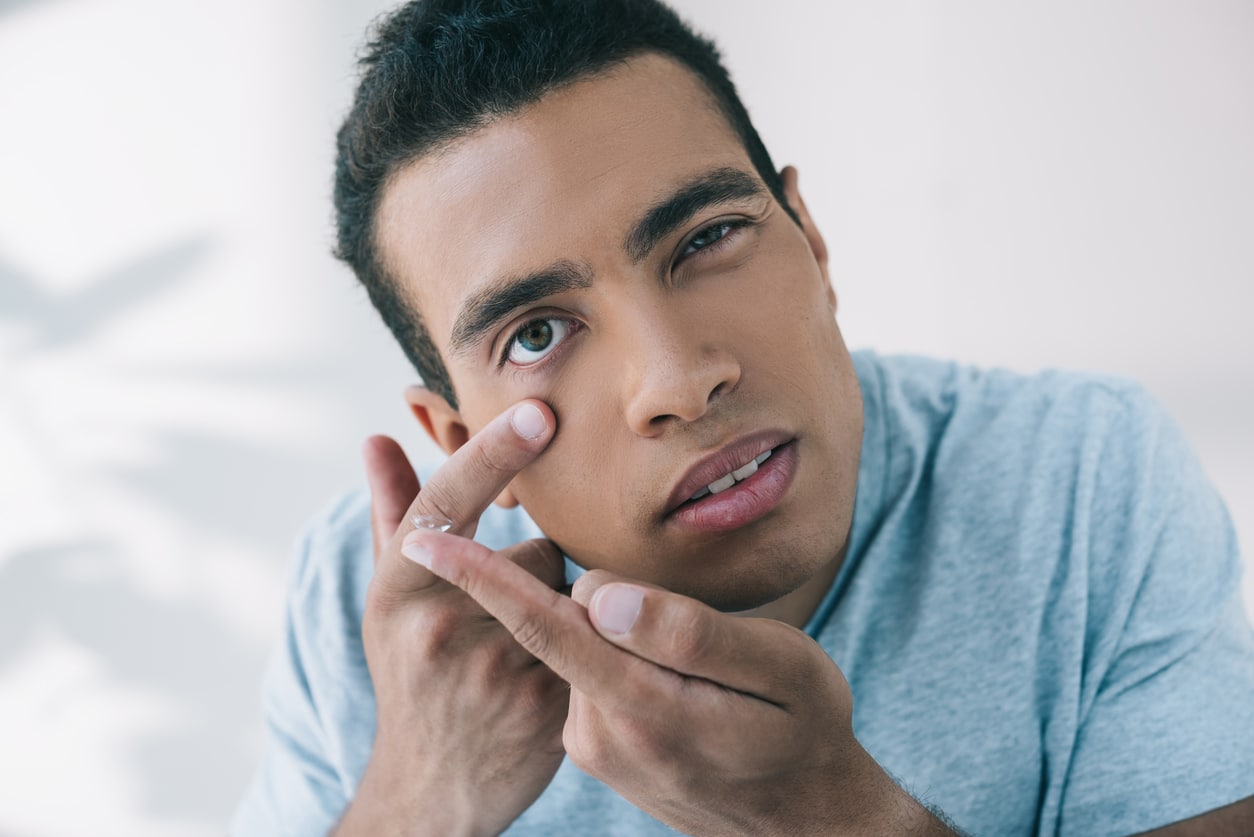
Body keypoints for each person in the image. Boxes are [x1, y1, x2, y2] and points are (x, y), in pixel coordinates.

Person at [233, 0, 1254, 833]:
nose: (676, 379)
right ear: (457, 439)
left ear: (810, 239)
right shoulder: (383, 614)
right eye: (536, 334)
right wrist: (420, 802)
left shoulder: (1080, 480)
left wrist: (840, 819)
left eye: (707, 235)